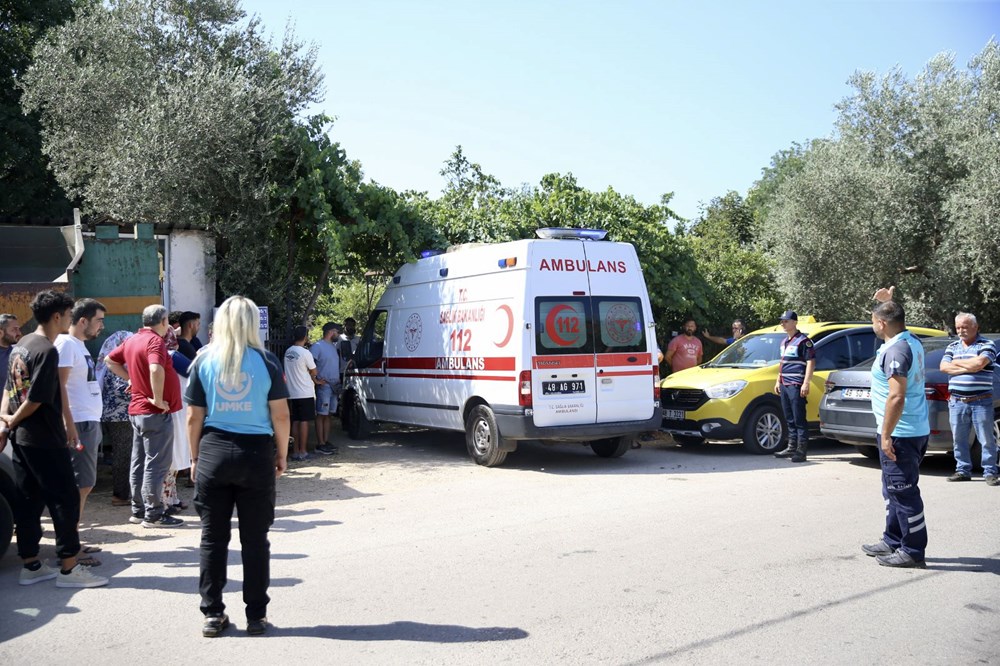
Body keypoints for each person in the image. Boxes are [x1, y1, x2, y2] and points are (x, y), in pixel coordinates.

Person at [185, 295, 290, 637]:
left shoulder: (203, 360)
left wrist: (195, 459)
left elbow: (193, 417)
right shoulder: (267, 361)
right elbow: (280, 414)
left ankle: (213, 614)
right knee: (256, 540)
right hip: (255, 454)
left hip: (214, 452)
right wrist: (282, 454)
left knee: (212, 539)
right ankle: (256, 616)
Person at [0, 290, 108, 588]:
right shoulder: (47, 350)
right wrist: (12, 419)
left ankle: (31, 564)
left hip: (22, 438)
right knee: (65, 499)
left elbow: (9, 390)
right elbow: (35, 398)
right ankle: (69, 568)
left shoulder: (21, 344)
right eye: (70, 314)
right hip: (44, 437)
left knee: (28, 500)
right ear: (58, 316)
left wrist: (5, 422)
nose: (73, 318)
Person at [862, 288, 930, 568]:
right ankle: (893, 539)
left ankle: (913, 550)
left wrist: (887, 434)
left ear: (881, 323)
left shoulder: (898, 350)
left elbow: (897, 395)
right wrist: (886, 302)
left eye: (873, 321)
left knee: (903, 491)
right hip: (905, 429)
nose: (872, 325)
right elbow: (891, 315)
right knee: (893, 489)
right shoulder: (906, 340)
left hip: (901, 432)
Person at [105, 304, 184, 528]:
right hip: (154, 412)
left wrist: (131, 379)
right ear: (162, 321)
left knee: (139, 462)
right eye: (167, 320)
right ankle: (154, 514)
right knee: (156, 464)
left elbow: (110, 361)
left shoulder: (132, 340)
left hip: (138, 411)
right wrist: (158, 399)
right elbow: (155, 369)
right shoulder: (155, 341)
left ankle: (139, 511)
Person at [54, 298, 107, 566]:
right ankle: (69, 547)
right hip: (79, 423)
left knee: (84, 485)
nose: (102, 326)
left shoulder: (79, 346)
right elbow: (59, 386)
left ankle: (72, 539)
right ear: (83, 320)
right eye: (99, 320)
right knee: (79, 485)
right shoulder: (65, 344)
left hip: (88, 421)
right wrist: (69, 422)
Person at [939, 312, 999, 485]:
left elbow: (979, 364)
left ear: (975, 327)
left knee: (986, 438)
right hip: (957, 401)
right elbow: (943, 367)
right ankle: (962, 470)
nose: (960, 331)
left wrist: (957, 365)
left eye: (964, 327)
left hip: (981, 400)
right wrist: (969, 367)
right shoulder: (952, 346)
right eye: (958, 327)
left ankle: (990, 472)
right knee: (959, 439)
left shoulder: (987, 344)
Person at [97, 330, 135, 505]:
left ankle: (123, 493)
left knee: (123, 453)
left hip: (117, 415)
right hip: (120, 416)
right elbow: (123, 390)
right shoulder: (117, 367)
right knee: (123, 454)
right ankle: (120, 495)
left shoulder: (111, 365)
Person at [773, 310, 815, 463]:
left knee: (799, 418)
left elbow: (811, 361)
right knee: (789, 417)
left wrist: (806, 382)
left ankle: (801, 450)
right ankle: (791, 447)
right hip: (784, 383)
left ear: (795, 322)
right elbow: (782, 363)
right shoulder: (784, 342)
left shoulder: (804, 341)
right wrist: (778, 380)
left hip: (796, 384)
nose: (783, 323)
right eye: (782, 321)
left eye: (786, 321)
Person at [162, 327, 193, 513]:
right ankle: (167, 500)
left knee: (171, 458)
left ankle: (172, 498)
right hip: (177, 410)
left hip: (171, 408)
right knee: (172, 458)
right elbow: (194, 371)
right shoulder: (172, 356)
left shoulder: (158, 356)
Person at [284, 325, 319, 461]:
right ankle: (303, 451)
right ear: (305, 337)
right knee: (304, 421)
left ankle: (295, 450)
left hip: (291, 391)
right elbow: (314, 371)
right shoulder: (305, 353)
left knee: (296, 420)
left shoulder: (288, 352)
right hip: (304, 391)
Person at [311, 322, 341, 455]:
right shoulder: (317, 346)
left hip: (334, 385)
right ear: (331, 331)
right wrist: (315, 380)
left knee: (328, 414)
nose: (338, 334)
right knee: (321, 414)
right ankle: (320, 443)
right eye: (337, 331)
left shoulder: (333, 346)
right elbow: (309, 364)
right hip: (324, 386)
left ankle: (326, 441)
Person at [1, 313, 22, 389]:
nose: (19, 333)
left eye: (18, 329)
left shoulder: (19, 351)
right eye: (14, 330)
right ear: (0, 333)